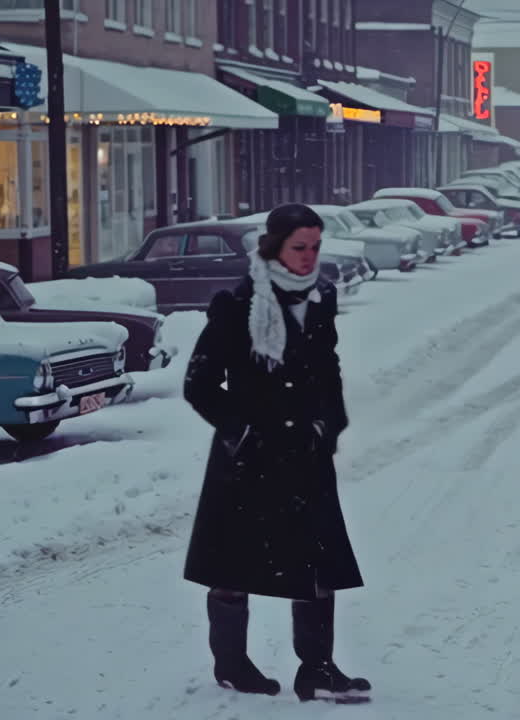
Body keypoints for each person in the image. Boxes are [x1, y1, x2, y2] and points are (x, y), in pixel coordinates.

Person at [183, 203, 371, 703]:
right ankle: (231, 664)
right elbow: (199, 383)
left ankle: (317, 669)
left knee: (318, 565)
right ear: (274, 247)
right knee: (232, 568)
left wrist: (328, 425)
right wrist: (242, 431)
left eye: (315, 247)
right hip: (248, 457)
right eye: (298, 247)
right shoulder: (238, 305)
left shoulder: (322, 297)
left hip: (304, 453)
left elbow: (327, 367)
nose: (309, 257)